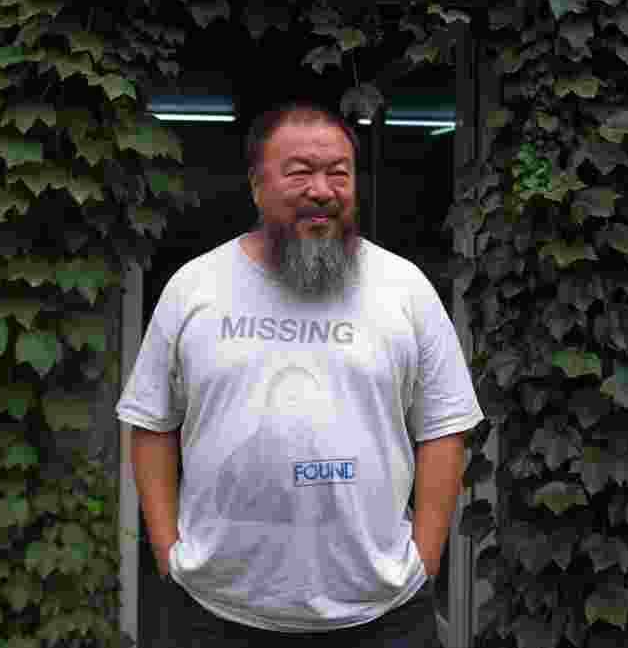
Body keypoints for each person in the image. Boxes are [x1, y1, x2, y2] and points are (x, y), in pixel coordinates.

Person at [116, 100, 485, 647]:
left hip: (380, 616)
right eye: (299, 173)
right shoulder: (195, 287)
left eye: (339, 173)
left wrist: (424, 560)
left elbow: (444, 428)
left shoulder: (403, 289)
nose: (322, 189)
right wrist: (169, 553)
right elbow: (152, 422)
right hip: (218, 613)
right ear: (256, 185)